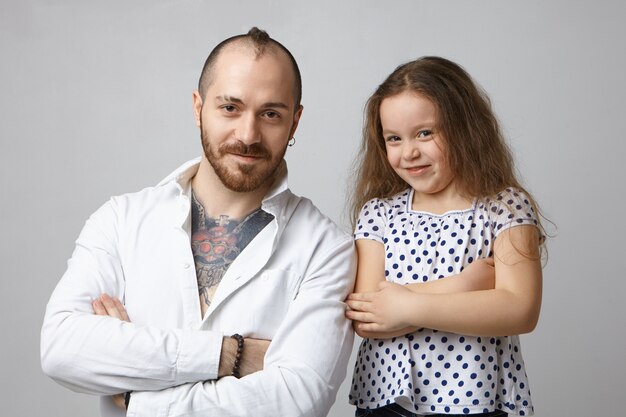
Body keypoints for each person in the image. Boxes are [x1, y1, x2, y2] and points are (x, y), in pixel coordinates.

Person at [41, 27, 356, 417]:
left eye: (271, 114)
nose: (248, 134)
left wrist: (137, 394)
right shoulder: (122, 220)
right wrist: (232, 354)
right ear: (197, 107)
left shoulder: (328, 249)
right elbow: (61, 348)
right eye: (230, 108)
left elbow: (296, 400)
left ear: (294, 122)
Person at [344, 56, 545, 416]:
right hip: (386, 400)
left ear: (465, 128)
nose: (409, 152)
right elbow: (367, 315)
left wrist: (405, 305)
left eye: (425, 133)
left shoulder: (506, 207)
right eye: (394, 138)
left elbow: (520, 309)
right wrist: (464, 285)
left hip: (476, 398)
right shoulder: (379, 213)